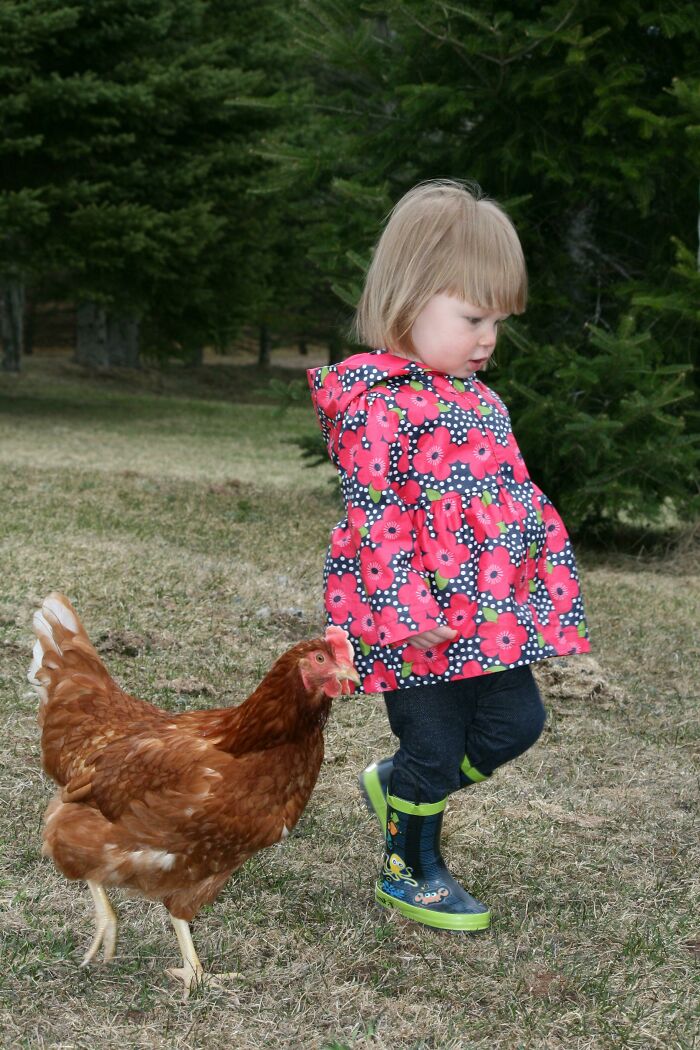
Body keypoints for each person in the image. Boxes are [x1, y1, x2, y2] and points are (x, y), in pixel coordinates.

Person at [307, 178, 590, 932]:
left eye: (497, 321)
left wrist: (533, 581)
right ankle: (410, 867)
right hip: (416, 623)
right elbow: (375, 519)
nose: (488, 338)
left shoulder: (483, 401)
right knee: (433, 746)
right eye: (472, 318)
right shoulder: (377, 405)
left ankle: (400, 787)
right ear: (409, 299)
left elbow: (510, 505)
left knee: (517, 722)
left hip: (485, 615)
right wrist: (406, 611)